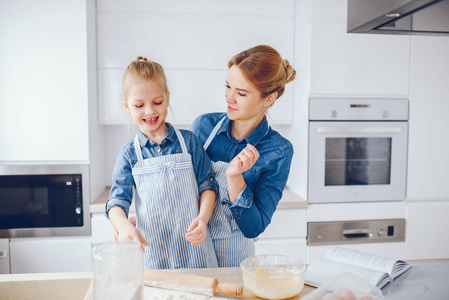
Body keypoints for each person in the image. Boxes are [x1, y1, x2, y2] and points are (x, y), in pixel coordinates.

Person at [105, 56, 218, 269]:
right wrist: (123, 226)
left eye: (157, 102)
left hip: (196, 253)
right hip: (154, 255)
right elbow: (116, 202)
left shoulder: (189, 142)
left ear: (167, 97)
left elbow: (208, 186)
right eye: (139, 105)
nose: (149, 111)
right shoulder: (129, 154)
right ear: (126, 105)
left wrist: (203, 219)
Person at [190, 45, 295, 267]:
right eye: (228, 87)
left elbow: (254, 228)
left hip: (234, 259)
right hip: (190, 247)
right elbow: (183, 187)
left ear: (269, 98)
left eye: (241, 93)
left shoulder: (278, 151)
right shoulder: (204, 127)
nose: (229, 98)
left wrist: (235, 179)